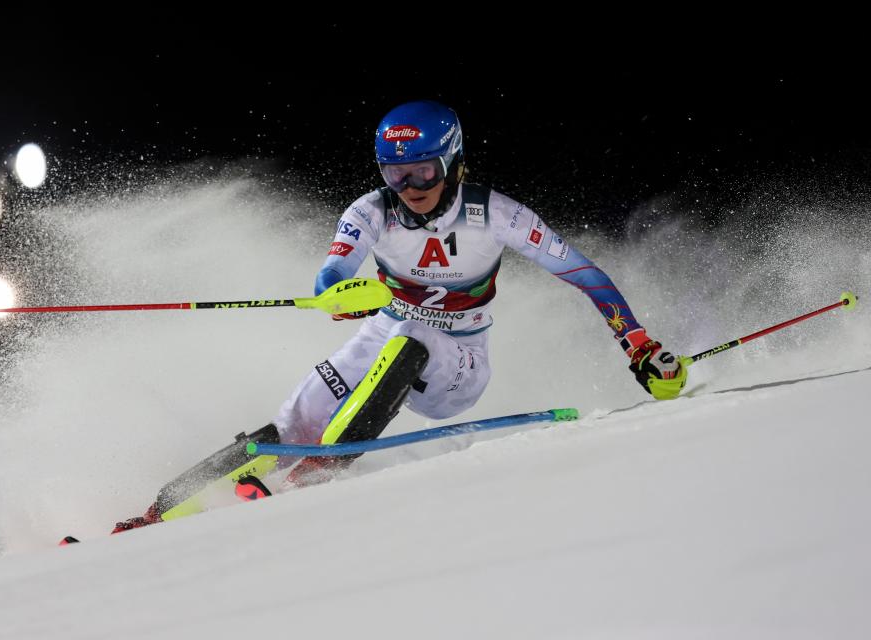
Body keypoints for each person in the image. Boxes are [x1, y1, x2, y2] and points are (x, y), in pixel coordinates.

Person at [111, 100, 687, 532]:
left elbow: (583, 273)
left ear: (454, 163)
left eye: (422, 172)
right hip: (384, 333)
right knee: (294, 417)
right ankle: (155, 513)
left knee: (411, 335)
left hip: (459, 361)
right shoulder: (370, 211)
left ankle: (313, 473)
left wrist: (636, 342)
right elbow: (331, 273)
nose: (408, 187)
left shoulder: (497, 215)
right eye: (394, 173)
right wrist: (338, 294)